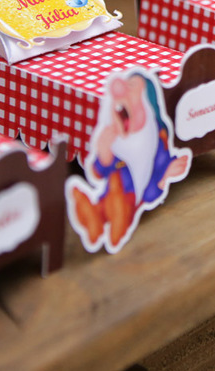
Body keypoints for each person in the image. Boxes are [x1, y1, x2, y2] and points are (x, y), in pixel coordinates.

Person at [68, 71, 191, 253]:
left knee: (119, 200)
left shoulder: (156, 139)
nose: (122, 90)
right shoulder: (113, 140)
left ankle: (115, 223)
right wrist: (104, 153)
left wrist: (167, 173)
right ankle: (96, 217)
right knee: (110, 195)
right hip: (112, 195)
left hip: (134, 198)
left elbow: (161, 164)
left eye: (132, 86)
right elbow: (99, 171)